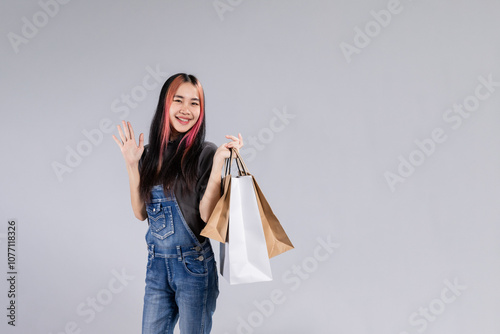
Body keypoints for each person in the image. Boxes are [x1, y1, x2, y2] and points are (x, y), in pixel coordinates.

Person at [112, 73, 243, 334]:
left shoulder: (205, 152)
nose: (186, 110)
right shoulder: (148, 154)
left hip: (193, 266)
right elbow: (140, 213)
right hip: (157, 266)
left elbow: (206, 218)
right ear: (165, 105)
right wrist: (131, 165)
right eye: (179, 100)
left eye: (195, 103)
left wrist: (218, 164)